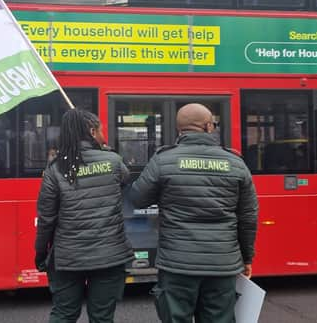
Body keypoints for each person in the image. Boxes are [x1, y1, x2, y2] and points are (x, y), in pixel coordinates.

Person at [131, 103, 258, 323]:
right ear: (209, 126)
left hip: (176, 264)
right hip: (222, 263)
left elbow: (137, 198)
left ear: (179, 130)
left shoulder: (163, 160)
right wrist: (246, 257)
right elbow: (248, 218)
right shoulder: (235, 163)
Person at [35, 108, 133, 323]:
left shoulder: (55, 169)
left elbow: (46, 219)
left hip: (68, 258)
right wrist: (105, 151)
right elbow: (125, 179)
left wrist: (40, 253)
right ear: (91, 131)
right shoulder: (114, 161)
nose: (103, 134)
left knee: (64, 314)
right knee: (102, 317)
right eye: (101, 130)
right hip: (110, 256)